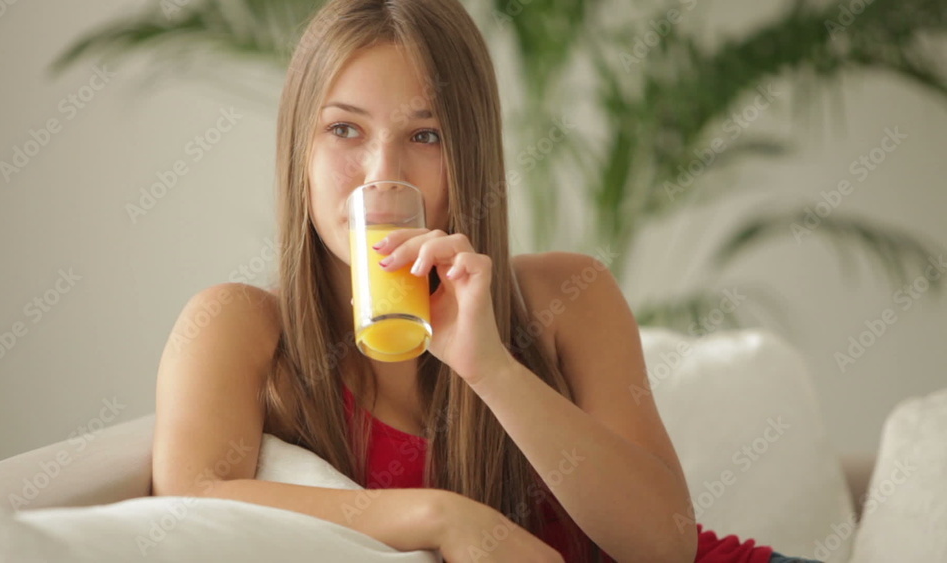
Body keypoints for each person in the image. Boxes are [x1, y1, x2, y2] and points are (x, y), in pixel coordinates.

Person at [151, 0, 822, 561]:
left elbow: (665, 545)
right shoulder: (241, 326)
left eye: (427, 136)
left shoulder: (569, 296)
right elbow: (190, 501)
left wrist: (489, 366)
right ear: (300, 150)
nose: (383, 174)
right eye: (345, 129)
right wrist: (442, 517)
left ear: (469, 156)